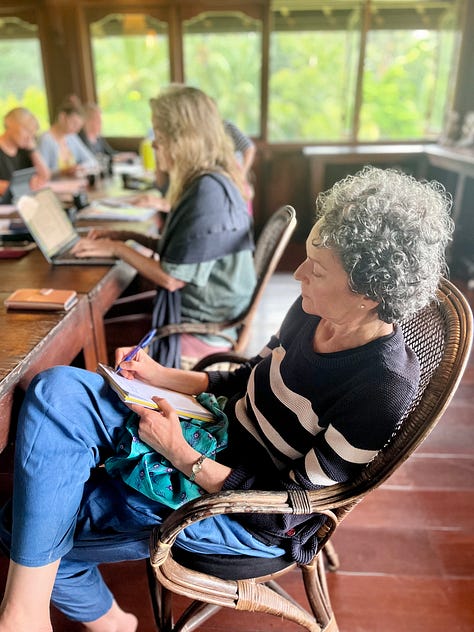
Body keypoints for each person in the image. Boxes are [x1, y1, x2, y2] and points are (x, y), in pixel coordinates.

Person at [0, 166, 453, 631]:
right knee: (57, 391)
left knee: (23, 527)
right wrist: (162, 375)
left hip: (247, 513)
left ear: (368, 296)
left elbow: (291, 509)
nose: (297, 274)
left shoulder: (381, 389)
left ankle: (105, 621)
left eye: (315, 269)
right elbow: (249, 377)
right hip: (216, 433)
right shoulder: (315, 309)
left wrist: (180, 452)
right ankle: (34, 615)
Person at [71, 85, 256, 366]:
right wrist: (123, 236)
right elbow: (185, 252)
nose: (154, 144)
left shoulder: (208, 191)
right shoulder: (210, 180)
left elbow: (172, 277)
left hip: (203, 324)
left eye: (159, 136)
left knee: (83, 339)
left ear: (183, 139)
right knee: (100, 318)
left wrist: (116, 248)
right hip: (205, 310)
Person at [37, 97, 98, 177]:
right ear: (62, 117)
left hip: (73, 184)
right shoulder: (45, 139)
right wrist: (63, 172)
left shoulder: (72, 137)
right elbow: (41, 173)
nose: (76, 130)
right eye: (74, 124)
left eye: (78, 127)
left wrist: (81, 167)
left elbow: (92, 161)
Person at [0, 107, 50, 203]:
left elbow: (44, 176)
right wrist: (22, 187)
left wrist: (33, 150)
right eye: (26, 130)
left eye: (32, 133)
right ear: (11, 125)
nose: (29, 137)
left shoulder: (25, 150)